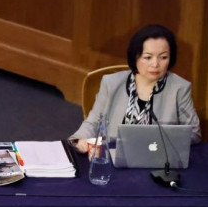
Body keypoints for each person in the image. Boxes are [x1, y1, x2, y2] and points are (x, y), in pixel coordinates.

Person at [69, 24, 201, 152]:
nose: (155, 64)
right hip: (115, 156)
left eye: (163, 57)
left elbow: (194, 133)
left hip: (157, 158)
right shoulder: (111, 83)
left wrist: (164, 141)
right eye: (148, 57)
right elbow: (93, 121)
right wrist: (81, 139)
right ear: (135, 56)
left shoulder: (179, 88)